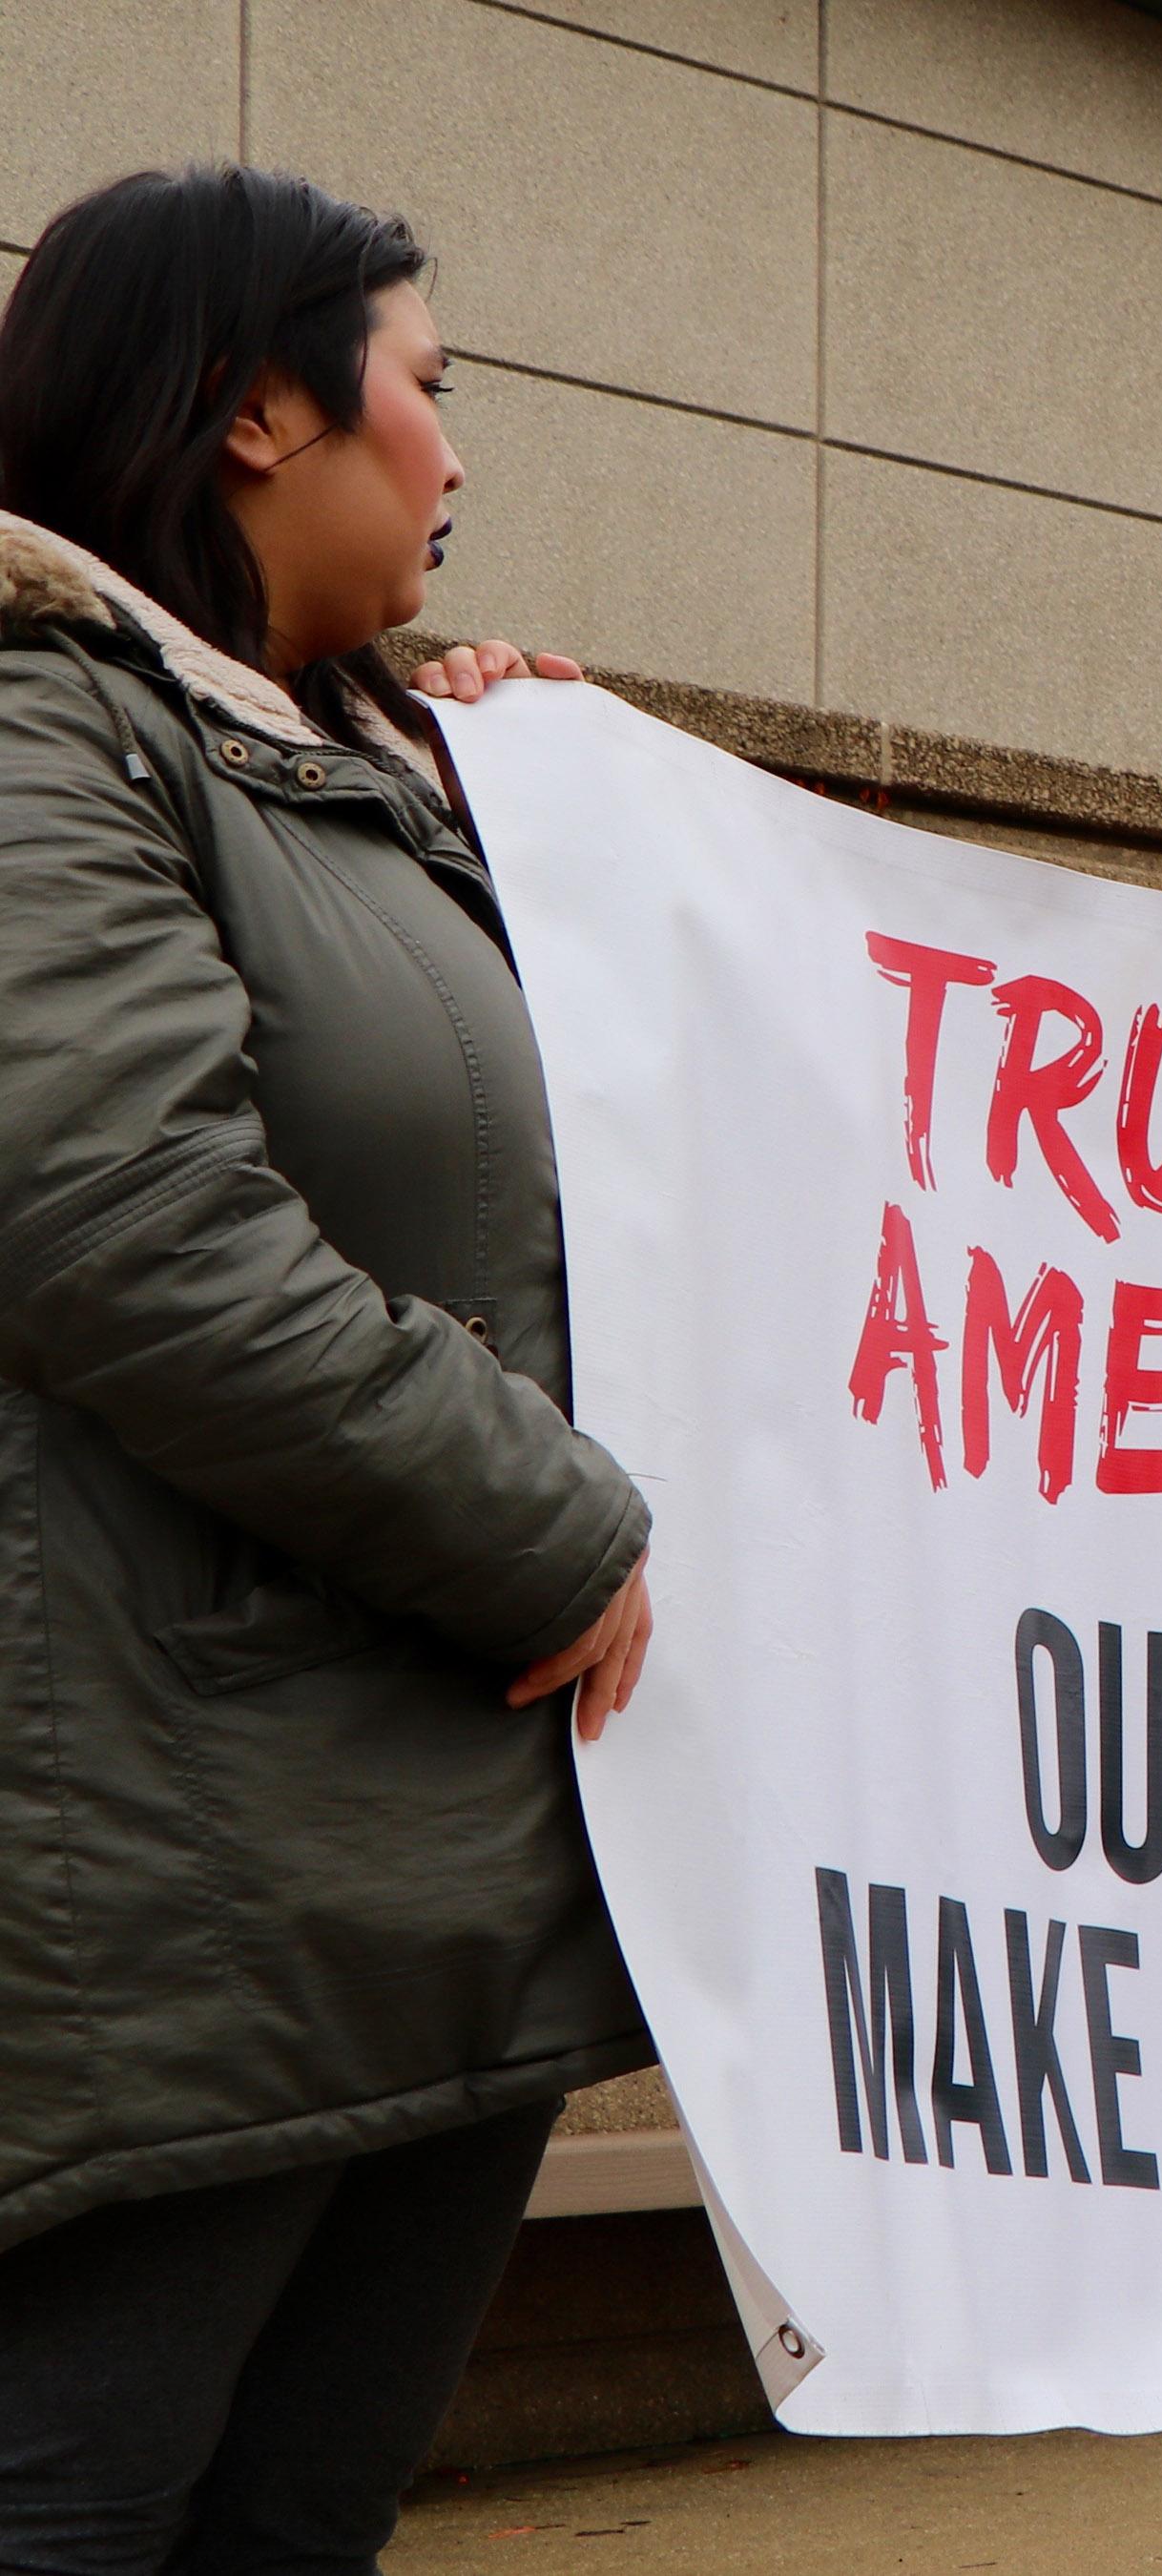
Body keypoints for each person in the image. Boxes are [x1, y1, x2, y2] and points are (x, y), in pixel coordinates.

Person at [0, 166, 659, 2571]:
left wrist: (594, 826)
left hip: (408, 1882)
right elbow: (112, 1211)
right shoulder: (44, 724)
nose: (461, 459)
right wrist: (553, 1521)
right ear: (262, 405)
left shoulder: (370, 777)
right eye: (430, 385)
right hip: (189, 1898)